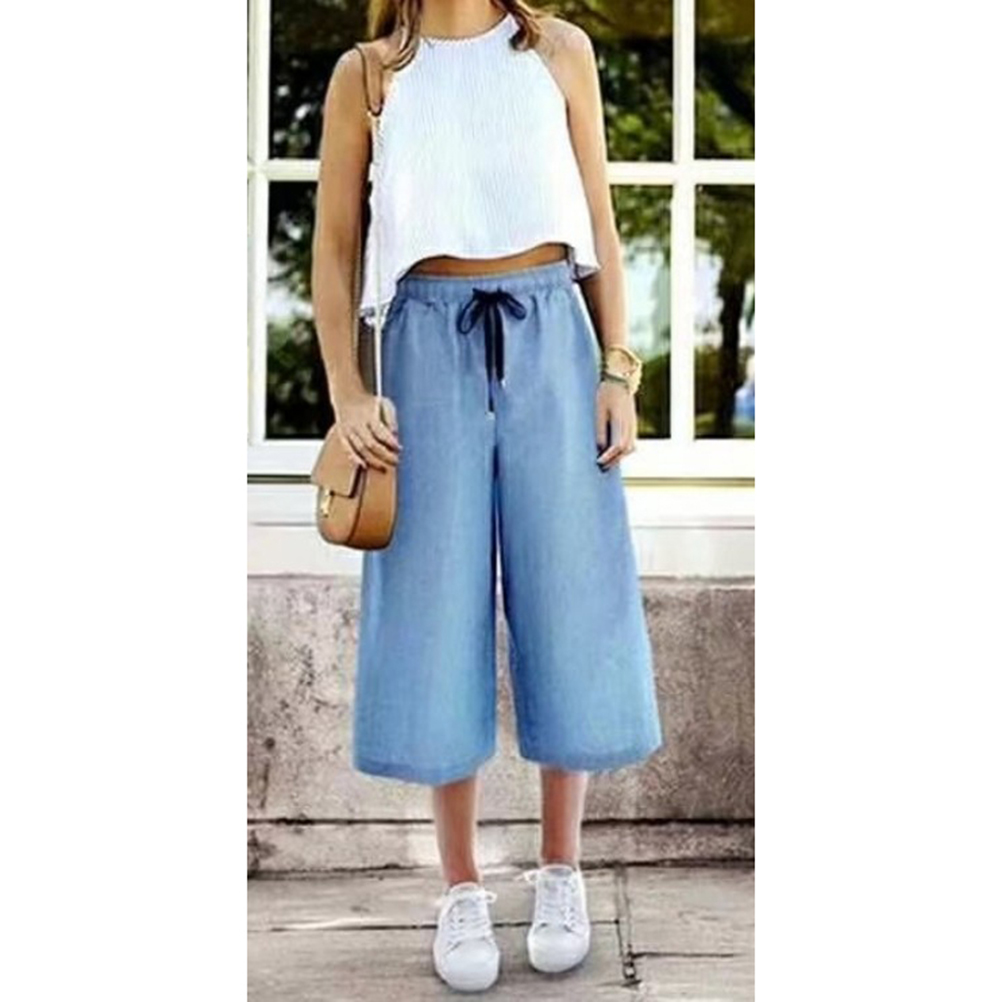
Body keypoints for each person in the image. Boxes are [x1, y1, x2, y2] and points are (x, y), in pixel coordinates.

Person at [311, 0, 663, 991]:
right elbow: (333, 248)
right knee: (432, 608)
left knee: (571, 593)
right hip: (422, 346)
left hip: (555, 336)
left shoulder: (559, 51)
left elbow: (599, 220)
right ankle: (462, 887)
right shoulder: (368, 73)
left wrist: (619, 368)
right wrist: (347, 395)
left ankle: (562, 870)